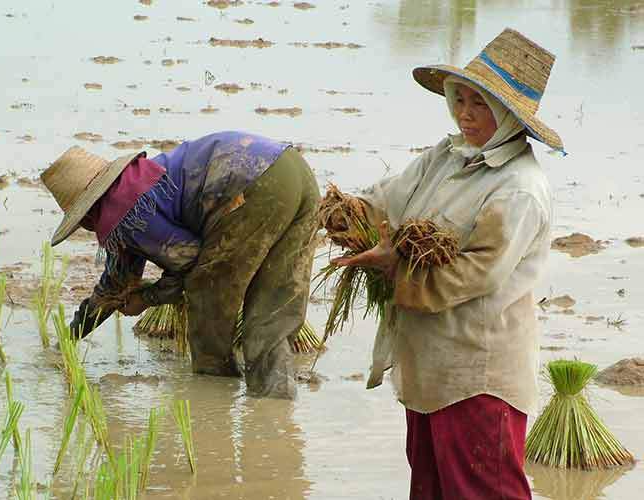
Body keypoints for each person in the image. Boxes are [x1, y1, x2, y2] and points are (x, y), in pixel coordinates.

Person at [332, 29, 563, 499]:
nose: (465, 114)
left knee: (481, 491)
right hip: (428, 368)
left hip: (476, 377)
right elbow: (388, 202)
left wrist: (396, 267)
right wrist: (348, 213)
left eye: (480, 104)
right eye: (460, 99)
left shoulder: (518, 188)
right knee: (432, 489)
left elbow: (480, 272)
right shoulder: (446, 156)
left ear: (508, 116)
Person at [40, 131, 320, 400]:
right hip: (294, 170)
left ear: (87, 211)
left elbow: (193, 266)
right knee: (272, 311)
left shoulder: (125, 211)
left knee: (208, 298)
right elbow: (113, 287)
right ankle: (274, 417)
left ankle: (213, 405)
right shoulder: (139, 182)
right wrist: (68, 339)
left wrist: (147, 299)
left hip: (252, 185)